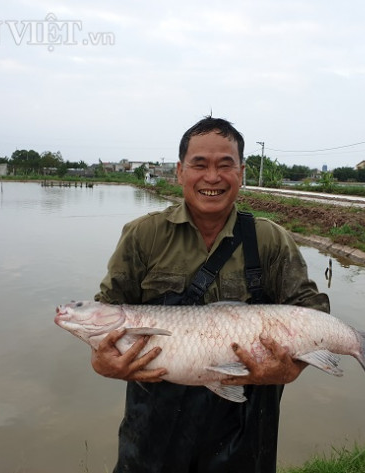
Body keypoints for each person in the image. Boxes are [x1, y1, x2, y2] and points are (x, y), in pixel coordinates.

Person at [92, 117, 330, 473]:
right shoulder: (144, 236)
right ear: (180, 171)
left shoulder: (270, 240)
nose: (212, 177)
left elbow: (313, 314)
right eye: (199, 164)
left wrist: (290, 368)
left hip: (245, 424)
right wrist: (101, 361)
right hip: (155, 425)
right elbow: (107, 313)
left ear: (242, 172)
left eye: (225, 165)